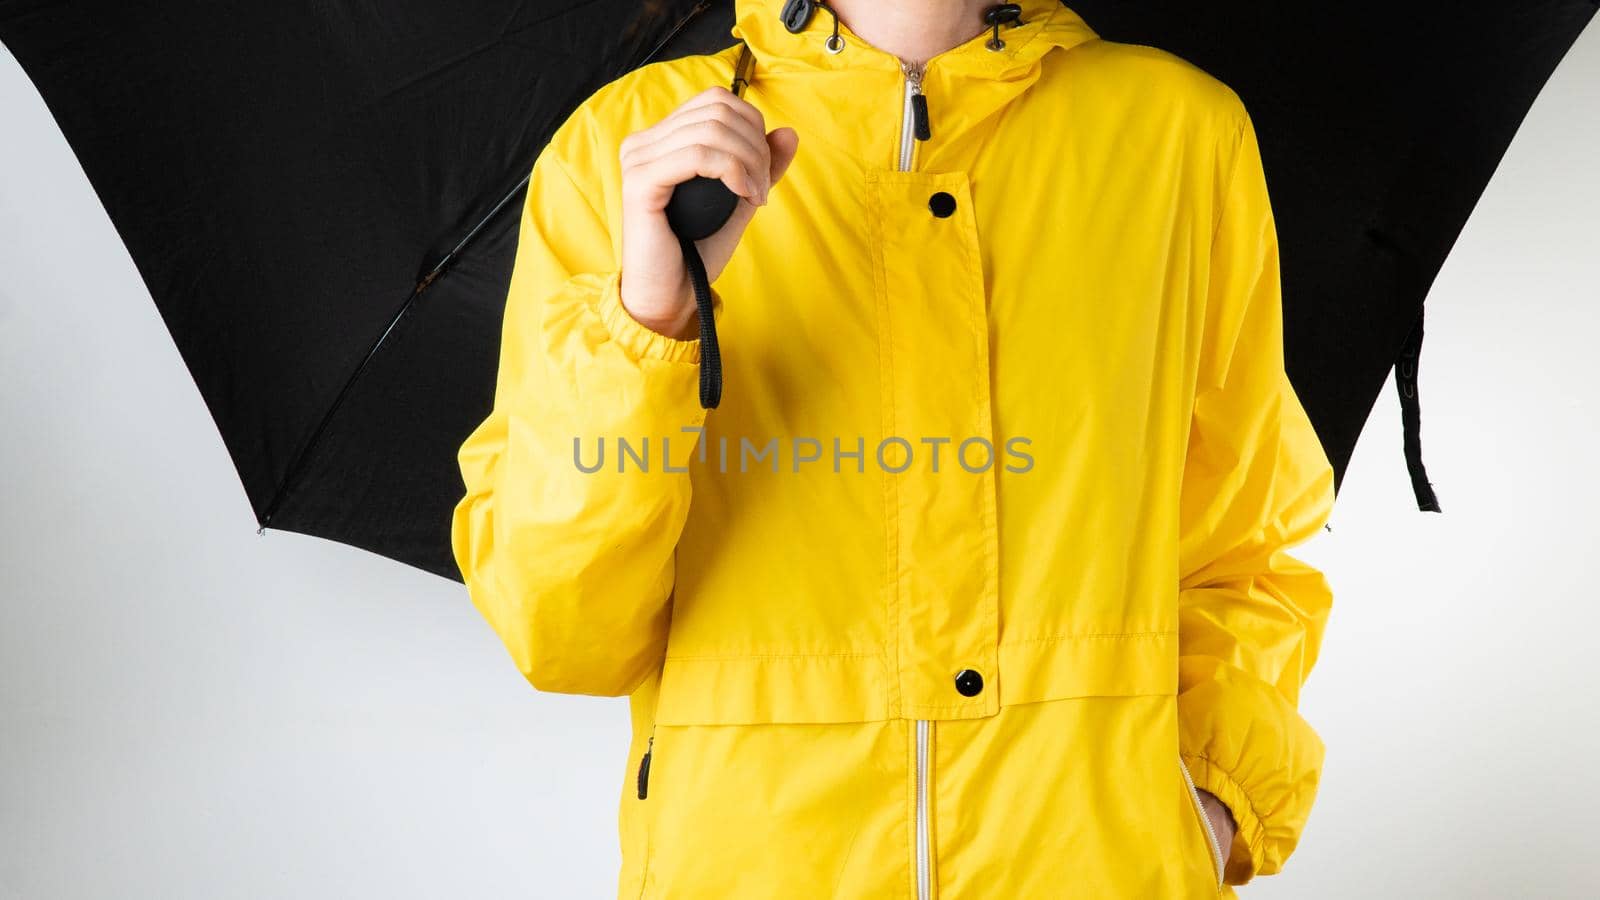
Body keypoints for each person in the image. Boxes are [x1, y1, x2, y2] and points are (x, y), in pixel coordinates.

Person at [450, 0, 1336, 896]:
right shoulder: (631, 148)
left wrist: (1209, 802)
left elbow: (1247, 549)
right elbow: (564, 634)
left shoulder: (1177, 133)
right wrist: (648, 322)